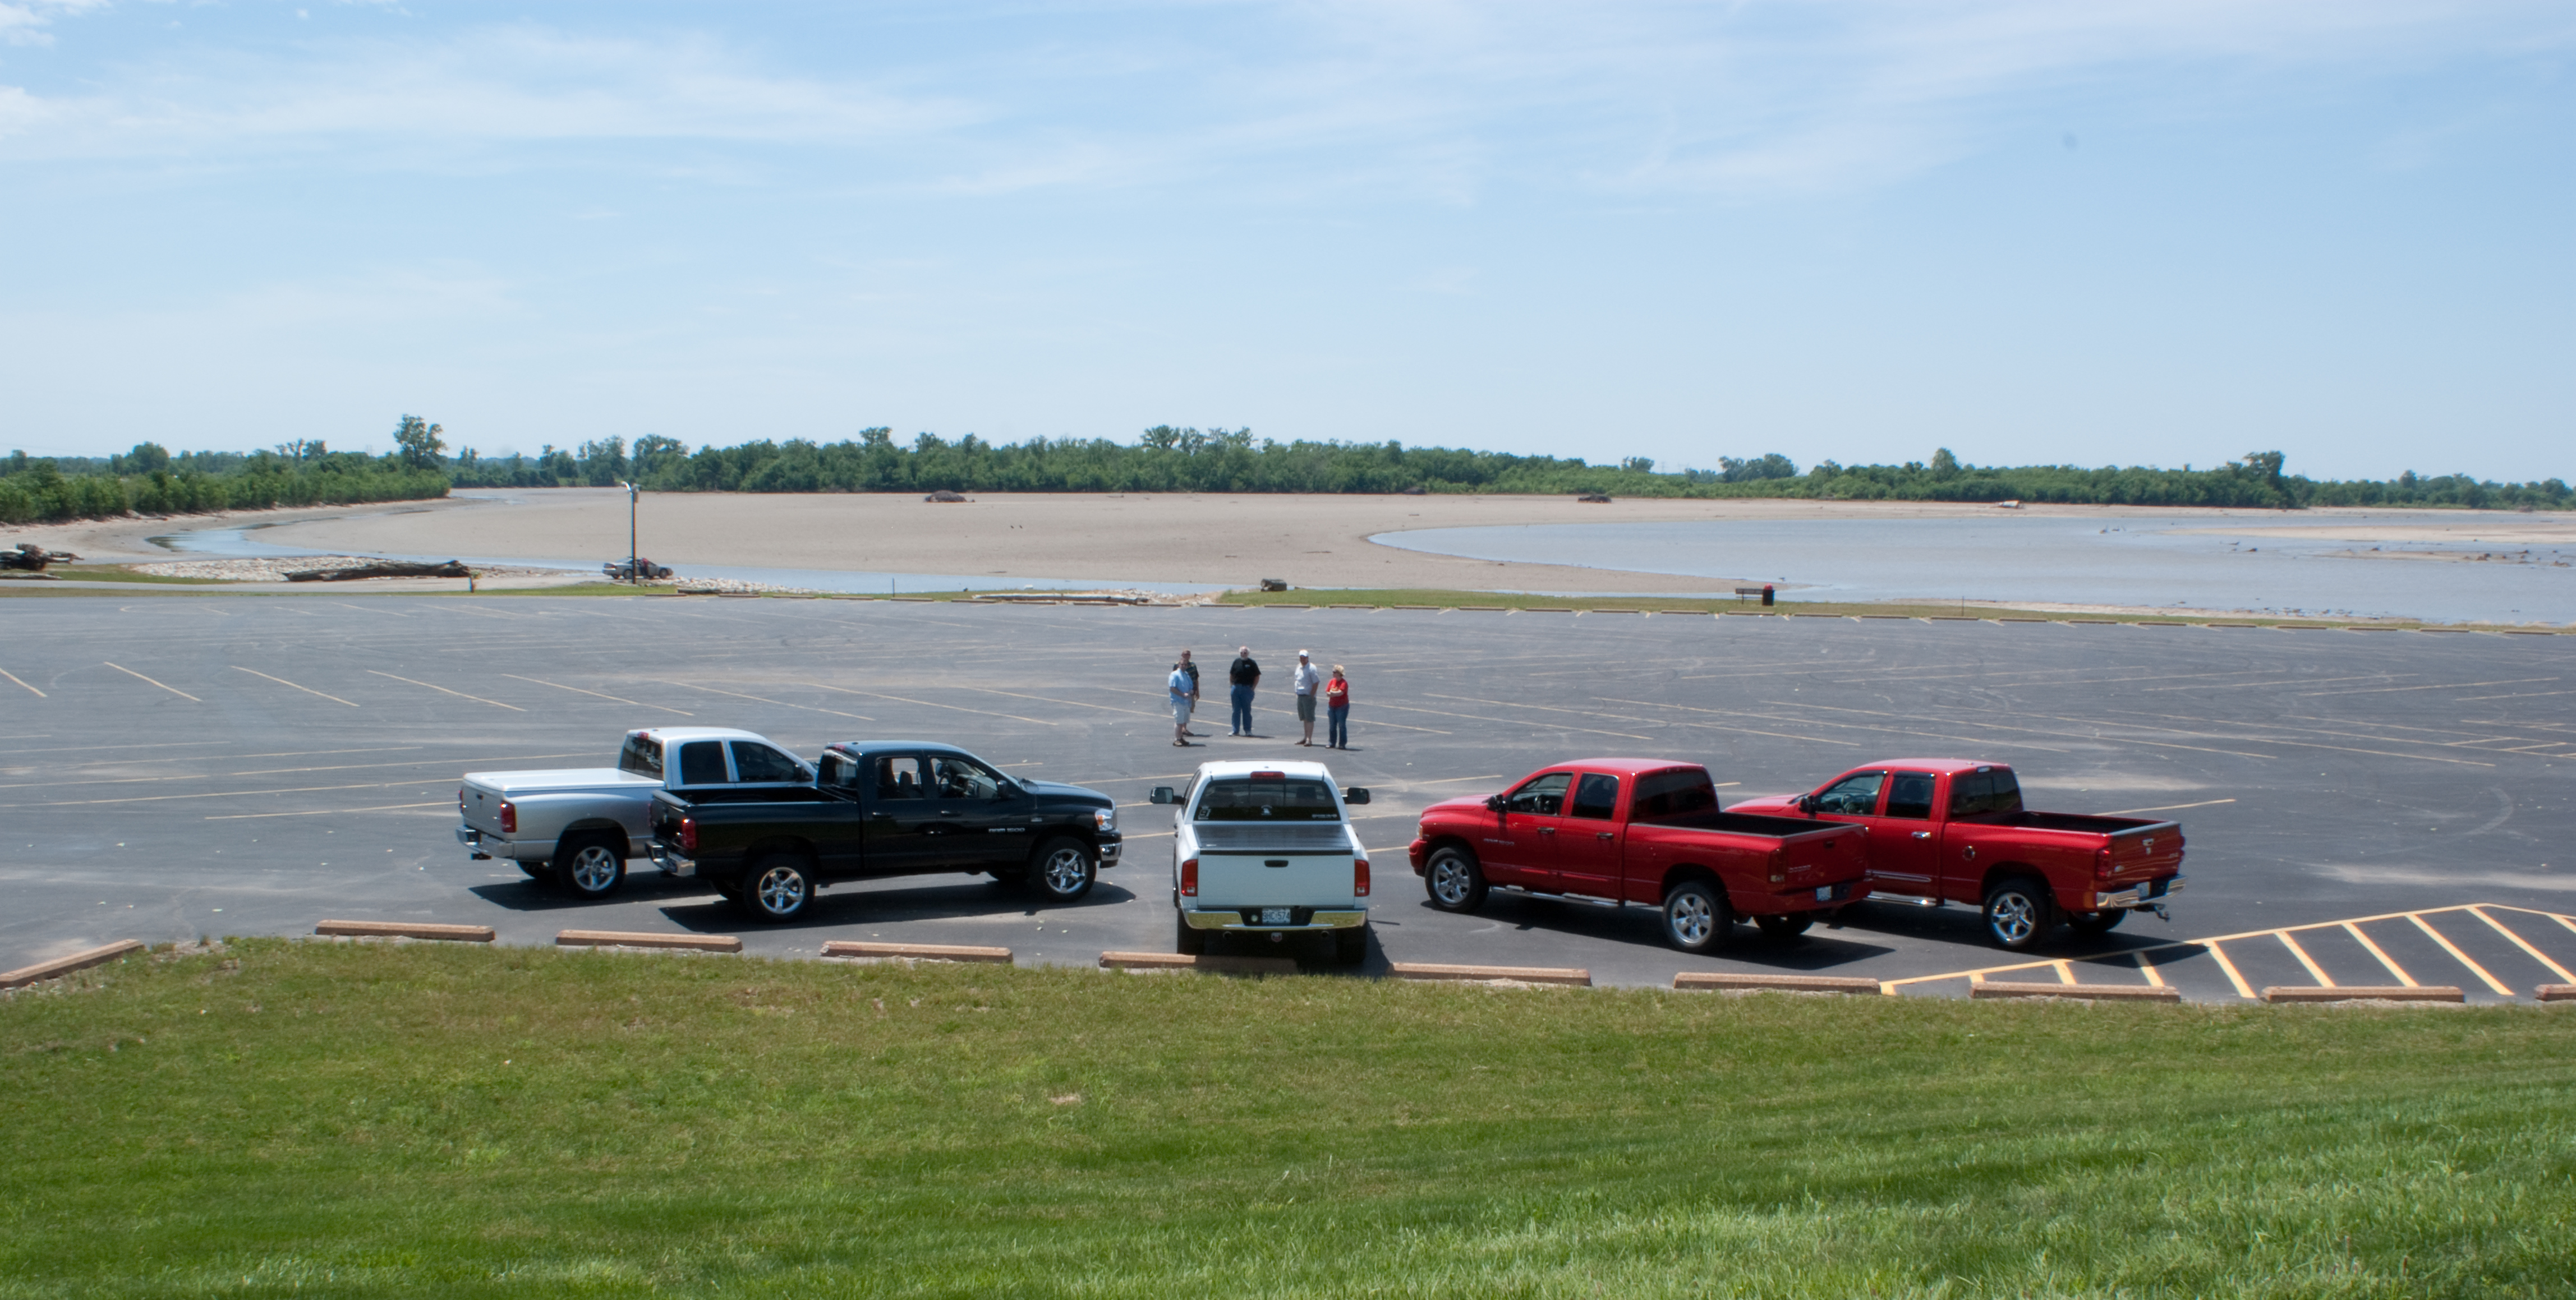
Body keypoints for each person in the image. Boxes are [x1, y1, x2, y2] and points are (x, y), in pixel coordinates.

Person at [1291, 650, 1324, 746]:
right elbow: (1297, 680)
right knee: (1304, 718)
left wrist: (1312, 695)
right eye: (1301, 658)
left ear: (1308, 658)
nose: (1303, 659)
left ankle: (1309, 739)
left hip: (1308, 696)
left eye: (1304, 658)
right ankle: (1305, 738)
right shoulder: (1299, 667)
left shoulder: (1312, 668)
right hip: (1300, 695)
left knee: (1309, 718)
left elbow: (1316, 682)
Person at [1226, 646, 1260, 736]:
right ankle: (1235, 730)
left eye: (1245, 652)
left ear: (1248, 653)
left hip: (1247, 689)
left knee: (1247, 711)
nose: (1243, 654)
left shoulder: (1252, 663)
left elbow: (1257, 676)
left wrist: (1253, 688)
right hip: (1236, 689)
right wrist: (1232, 685)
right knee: (1236, 711)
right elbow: (1231, 674)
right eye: (1242, 652)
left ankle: (1248, 731)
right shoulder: (1236, 662)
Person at [1171, 649, 1203, 736]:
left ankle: (1184, 728)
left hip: (1190, 691)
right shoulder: (1177, 666)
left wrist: (1197, 691)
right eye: (1185, 654)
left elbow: (1196, 678)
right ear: (1182, 655)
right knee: (1180, 712)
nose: (1187, 656)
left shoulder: (1193, 665)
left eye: (1189, 654)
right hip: (1180, 693)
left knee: (1188, 710)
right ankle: (1181, 731)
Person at [1168, 658, 1197, 746]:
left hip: (1186, 702)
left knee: (1184, 721)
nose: (1184, 666)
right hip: (1178, 701)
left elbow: (1191, 686)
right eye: (1182, 664)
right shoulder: (1174, 675)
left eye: (1185, 665)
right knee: (1179, 721)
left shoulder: (1186, 675)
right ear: (1179, 665)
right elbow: (1172, 688)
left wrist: (1191, 691)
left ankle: (1181, 738)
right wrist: (1182, 694)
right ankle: (1177, 739)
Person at [1324, 665, 1351, 750]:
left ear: (1339, 673)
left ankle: (1342, 744)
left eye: (1335, 672)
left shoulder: (1344, 683)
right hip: (1332, 706)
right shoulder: (1332, 682)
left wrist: (1332, 694)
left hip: (1342, 707)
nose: (1333, 673)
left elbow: (1341, 693)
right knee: (1332, 725)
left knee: (1342, 725)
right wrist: (1332, 694)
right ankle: (1332, 742)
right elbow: (1327, 692)